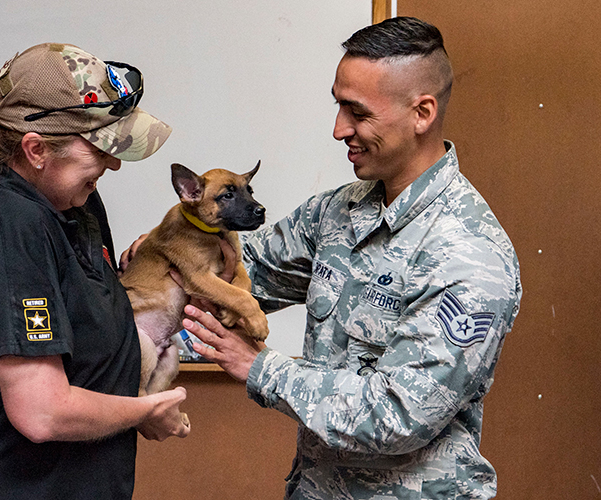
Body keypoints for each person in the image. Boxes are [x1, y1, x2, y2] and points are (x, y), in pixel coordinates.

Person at [180, 17, 522, 500]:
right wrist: (164, 258)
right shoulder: (337, 211)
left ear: (421, 113)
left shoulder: (468, 252)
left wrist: (261, 368)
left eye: (356, 112)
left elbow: (400, 414)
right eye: (339, 106)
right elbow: (236, 275)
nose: (339, 129)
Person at [0, 43, 190, 500]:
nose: (114, 162)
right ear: (36, 150)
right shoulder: (11, 229)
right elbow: (42, 412)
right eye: (100, 147)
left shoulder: (75, 202)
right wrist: (146, 410)